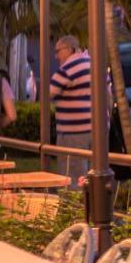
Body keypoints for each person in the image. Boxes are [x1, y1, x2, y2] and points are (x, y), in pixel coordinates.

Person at [50, 35, 93, 183]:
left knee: (72, 180)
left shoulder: (67, 69)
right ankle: (91, 206)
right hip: (95, 131)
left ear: (69, 49)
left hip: (72, 133)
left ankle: (75, 207)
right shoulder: (93, 64)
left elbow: (48, 94)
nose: (56, 56)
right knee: (92, 178)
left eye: (58, 51)